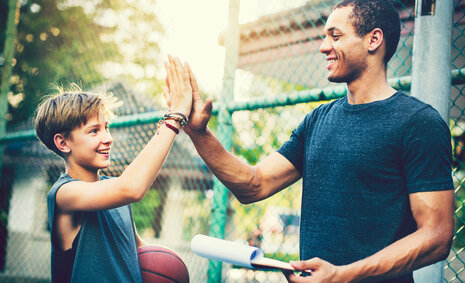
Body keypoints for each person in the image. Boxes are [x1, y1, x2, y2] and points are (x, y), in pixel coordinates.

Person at [169, 0, 454, 282]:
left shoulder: (418, 123)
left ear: (373, 40)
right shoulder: (318, 120)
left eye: (335, 35)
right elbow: (254, 185)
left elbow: (436, 236)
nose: (323, 46)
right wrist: (199, 133)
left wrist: (342, 275)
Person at [34, 56, 192, 282]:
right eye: (94, 131)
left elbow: (134, 252)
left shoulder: (115, 193)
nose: (108, 138)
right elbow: (131, 188)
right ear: (63, 143)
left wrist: (166, 267)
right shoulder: (64, 194)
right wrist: (175, 116)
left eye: (106, 127)